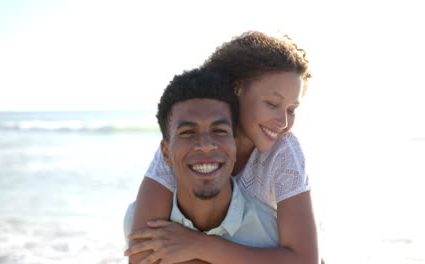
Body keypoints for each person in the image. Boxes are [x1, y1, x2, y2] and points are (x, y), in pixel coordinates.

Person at [126, 31, 319, 264]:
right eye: (272, 104)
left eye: (291, 110)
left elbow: (306, 259)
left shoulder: (283, 149)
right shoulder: (187, 147)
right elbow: (142, 253)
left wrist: (198, 245)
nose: (283, 121)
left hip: (254, 244)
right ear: (238, 89)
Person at [124, 68, 280, 263]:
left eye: (219, 130)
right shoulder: (142, 223)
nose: (206, 145)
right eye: (188, 132)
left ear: (235, 145)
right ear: (166, 153)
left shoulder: (274, 234)